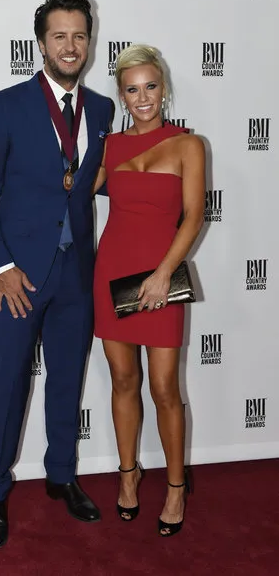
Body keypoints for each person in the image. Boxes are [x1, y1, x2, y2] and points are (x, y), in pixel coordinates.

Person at [0, 0, 113, 549]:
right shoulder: (5, 104)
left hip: (76, 273)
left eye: (79, 35)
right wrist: (1, 267)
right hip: (18, 278)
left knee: (66, 381)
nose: (70, 46)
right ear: (42, 42)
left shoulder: (100, 109)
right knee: (7, 383)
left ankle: (62, 477)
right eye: (60, 36)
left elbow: (89, 181)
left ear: (89, 41)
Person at [93, 44, 205, 537]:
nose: (143, 98)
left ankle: (176, 486)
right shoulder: (110, 146)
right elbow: (73, 190)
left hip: (162, 276)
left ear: (164, 88)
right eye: (132, 89)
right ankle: (128, 474)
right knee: (122, 381)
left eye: (151, 87)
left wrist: (163, 274)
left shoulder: (188, 145)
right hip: (111, 272)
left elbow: (194, 216)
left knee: (164, 387)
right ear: (121, 95)